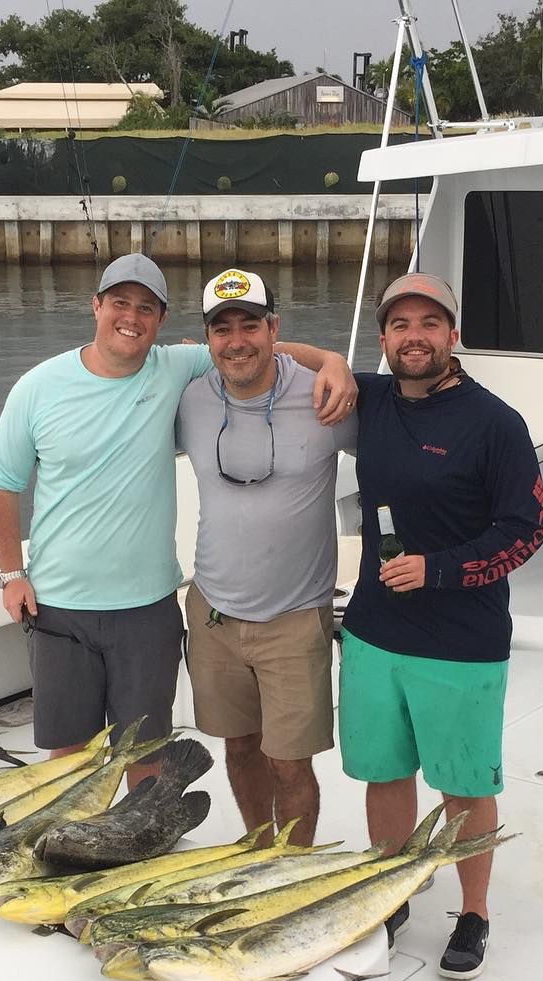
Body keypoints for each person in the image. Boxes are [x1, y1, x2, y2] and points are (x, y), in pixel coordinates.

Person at [0, 254, 356, 781]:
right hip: (59, 603)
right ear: (96, 306)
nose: (130, 316)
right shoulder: (37, 387)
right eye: (120, 303)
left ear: (160, 322)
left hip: (148, 605)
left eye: (146, 307)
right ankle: (70, 850)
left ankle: (138, 844)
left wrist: (331, 360)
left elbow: (250, 350)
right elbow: (2, 481)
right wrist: (10, 572)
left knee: (145, 754)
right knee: (68, 756)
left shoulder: (177, 367)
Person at [338, 273, 543, 980]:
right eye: (400, 325)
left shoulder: (495, 423)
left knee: (463, 786)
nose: (415, 336)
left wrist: (440, 570)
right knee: (385, 773)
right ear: (384, 339)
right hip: (371, 631)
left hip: (462, 642)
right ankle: (393, 893)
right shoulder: (371, 399)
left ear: (452, 336)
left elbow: (528, 529)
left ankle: (475, 912)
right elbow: (303, 361)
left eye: (430, 323)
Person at [176, 269, 358, 846]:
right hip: (213, 615)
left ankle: (291, 869)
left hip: (295, 617)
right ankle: (258, 851)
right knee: (239, 745)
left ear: (273, 328)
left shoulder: (328, 395)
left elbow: (405, 439)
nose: (237, 341)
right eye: (221, 328)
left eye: (250, 325)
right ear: (207, 339)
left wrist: (333, 359)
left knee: (290, 764)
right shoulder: (189, 395)